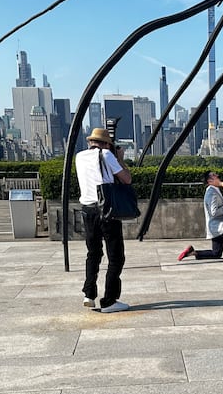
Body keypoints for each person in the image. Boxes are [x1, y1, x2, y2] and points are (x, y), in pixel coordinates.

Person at [75, 128, 132, 313]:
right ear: (106, 144)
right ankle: (109, 301)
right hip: (106, 210)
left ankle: (89, 294)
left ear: (91, 142)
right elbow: (126, 179)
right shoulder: (107, 155)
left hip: (87, 209)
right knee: (116, 256)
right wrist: (120, 158)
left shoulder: (79, 156)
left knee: (93, 253)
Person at [178, 171, 223, 263]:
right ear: (209, 181)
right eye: (214, 175)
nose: (217, 175)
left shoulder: (214, 190)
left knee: (216, 253)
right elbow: (213, 212)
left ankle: (192, 252)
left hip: (217, 227)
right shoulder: (211, 192)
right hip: (218, 226)